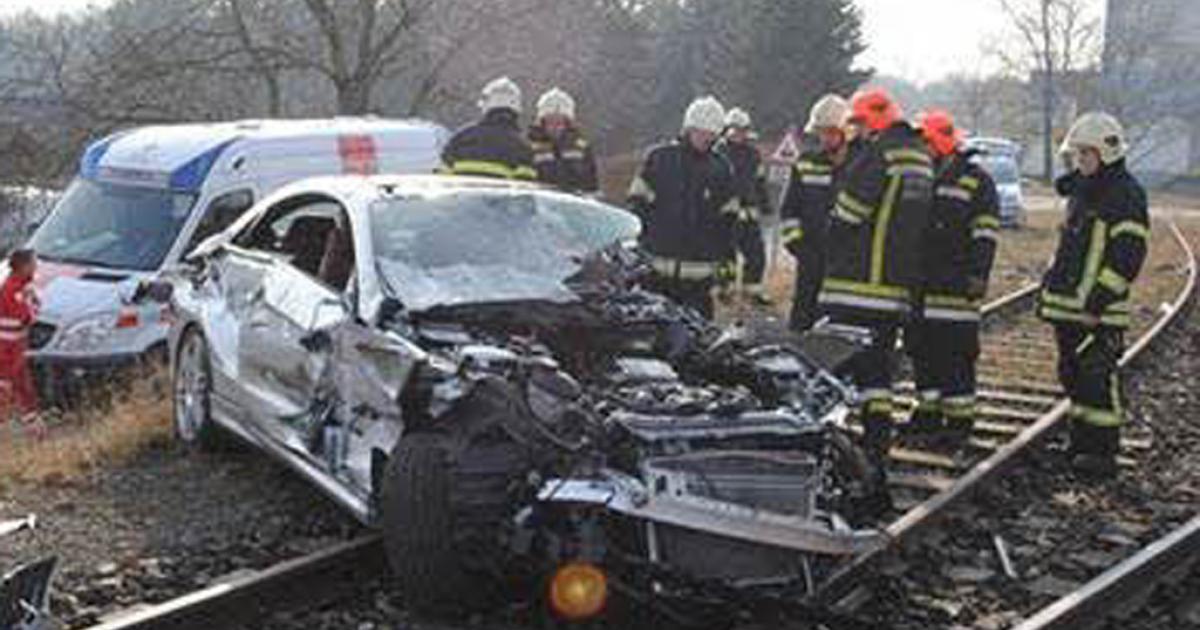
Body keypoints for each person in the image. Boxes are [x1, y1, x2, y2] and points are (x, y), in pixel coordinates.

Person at [818, 88, 934, 458]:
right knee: (878, 369)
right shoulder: (920, 158)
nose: (856, 132)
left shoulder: (878, 156)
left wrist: (828, 231)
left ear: (872, 122)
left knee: (839, 360)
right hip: (895, 286)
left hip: (856, 283)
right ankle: (876, 439)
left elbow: (849, 214)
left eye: (858, 123)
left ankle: (835, 437)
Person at [1038, 112, 1148, 478]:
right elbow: (1071, 249)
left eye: (1086, 155)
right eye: (1077, 156)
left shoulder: (1125, 195)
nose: (1080, 162)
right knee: (1073, 375)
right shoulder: (1084, 193)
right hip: (1070, 309)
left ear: (1107, 154)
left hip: (1098, 313)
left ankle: (1102, 454)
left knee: (1096, 379)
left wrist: (1098, 302)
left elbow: (1127, 255)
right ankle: (1081, 444)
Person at [905, 110, 1001, 448]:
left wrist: (978, 273)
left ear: (940, 143)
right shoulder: (919, 176)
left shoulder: (977, 181)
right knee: (922, 352)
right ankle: (927, 414)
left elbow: (985, 232)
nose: (921, 149)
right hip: (920, 286)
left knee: (955, 356)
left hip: (956, 288)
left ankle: (959, 421)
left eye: (926, 142)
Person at [627, 96, 738, 318]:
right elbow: (636, 208)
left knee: (697, 343)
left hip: (699, 283)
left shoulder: (721, 169)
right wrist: (635, 256)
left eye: (712, 134)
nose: (706, 138)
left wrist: (727, 277)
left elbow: (728, 228)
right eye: (701, 132)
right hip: (655, 275)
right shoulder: (659, 159)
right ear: (688, 129)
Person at [780, 94, 851, 331]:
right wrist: (799, 247)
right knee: (802, 320)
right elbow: (789, 211)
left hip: (846, 264)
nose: (824, 138)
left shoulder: (861, 166)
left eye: (831, 132)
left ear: (845, 132)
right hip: (810, 259)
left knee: (837, 325)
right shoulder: (806, 163)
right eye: (820, 132)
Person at [717, 107, 771, 305]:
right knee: (726, 256)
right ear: (727, 129)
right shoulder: (719, 152)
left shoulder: (753, 154)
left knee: (757, 254)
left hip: (749, 212)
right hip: (726, 213)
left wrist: (765, 205)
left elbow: (759, 181)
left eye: (742, 130)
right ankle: (725, 290)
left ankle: (753, 291)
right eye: (735, 129)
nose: (739, 134)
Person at [441, 76, 536, 180]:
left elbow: (441, 179)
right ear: (516, 108)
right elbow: (524, 188)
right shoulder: (522, 147)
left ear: (486, 105)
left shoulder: (460, 138)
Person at [528, 87, 600, 196]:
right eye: (550, 121)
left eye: (559, 122)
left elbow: (592, 184)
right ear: (542, 122)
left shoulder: (582, 148)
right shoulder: (531, 148)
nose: (555, 127)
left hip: (574, 207)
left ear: (568, 123)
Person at [0, 248, 40, 422]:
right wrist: (34, 305)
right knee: (15, 385)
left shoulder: (18, 285)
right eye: (33, 262)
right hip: (9, 348)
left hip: (13, 346)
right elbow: (26, 316)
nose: (36, 266)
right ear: (24, 266)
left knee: (17, 386)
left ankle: (31, 423)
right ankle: (32, 426)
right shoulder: (15, 289)